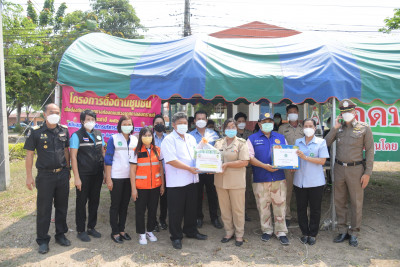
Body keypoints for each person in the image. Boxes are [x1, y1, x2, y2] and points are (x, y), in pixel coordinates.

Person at [325, 99, 374, 247]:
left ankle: (354, 232)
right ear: (341, 113)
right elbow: (325, 143)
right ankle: (342, 230)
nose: (347, 114)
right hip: (339, 168)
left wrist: (368, 173)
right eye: (344, 112)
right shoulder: (338, 129)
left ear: (355, 112)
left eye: (349, 112)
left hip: (356, 169)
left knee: (356, 202)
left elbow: (370, 150)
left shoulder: (364, 128)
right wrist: (334, 128)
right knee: (339, 201)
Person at [24, 103, 71, 254]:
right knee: (44, 209)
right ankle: (43, 240)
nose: (55, 114)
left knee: (62, 206)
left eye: (57, 112)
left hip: (62, 174)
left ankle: (60, 234)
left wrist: (68, 170)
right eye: (51, 112)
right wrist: (29, 176)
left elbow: (66, 151)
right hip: (45, 176)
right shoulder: (36, 132)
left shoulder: (64, 130)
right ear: (45, 114)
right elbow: (29, 154)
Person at [160, 112, 207, 250]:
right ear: (173, 125)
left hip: (192, 180)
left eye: (185, 123)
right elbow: (171, 160)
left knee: (191, 208)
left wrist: (204, 150)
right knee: (176, 211)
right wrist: (189, 168)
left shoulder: (191, 138)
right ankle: (176, 236)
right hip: (177, 182)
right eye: (180, 123)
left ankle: (191, 231)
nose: (183, 125)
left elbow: (195, 154)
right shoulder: (168, 140)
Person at [247, 112, 290, 246]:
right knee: (263, 205)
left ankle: (281, 231)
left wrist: (290, 163)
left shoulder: (281, 137)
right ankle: (267, 230)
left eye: (270, 122)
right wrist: (264, 166)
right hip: (261, 178)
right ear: (259, 124)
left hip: (278, 178)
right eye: (264, 122)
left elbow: (288, 154)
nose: (267, 124)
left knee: (280, 205)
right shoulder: (252, 139)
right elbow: (250, 158)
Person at [70, 110, 105, 242]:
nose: (90, 121)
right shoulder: (76, 136)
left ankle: (91, 227)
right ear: (82, 121)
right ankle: (81, 230)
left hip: (97, 174)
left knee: (94, 201)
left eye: (93, 119)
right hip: (83, 175)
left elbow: (102, 153)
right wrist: (76, 178)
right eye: (88, 119)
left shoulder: (99, 134)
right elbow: (73, 157)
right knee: (81, 202)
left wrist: (105, 174)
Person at [214, 118, 250, 247]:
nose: (231, 129)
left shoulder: (241, 143)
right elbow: (212, 159)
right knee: (224, 209)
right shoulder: (218, 143)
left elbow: (245, 161)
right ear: (224, 129)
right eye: (228, 127)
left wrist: (227, 164)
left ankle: (239, 234)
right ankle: (229, 232)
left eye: (233, 127)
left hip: (236, 182)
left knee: (238, 209)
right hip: (220, 181)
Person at [293, 118, 330, 245]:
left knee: (315, 209)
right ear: (302, 128)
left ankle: (313, 234)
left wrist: (306, 157)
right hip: (300, 181)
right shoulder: (298, 142)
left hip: (316, 182)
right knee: (301, 208)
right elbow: (294, 158)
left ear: (315, 128)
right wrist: (291, 166)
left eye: (310, 126)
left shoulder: (321, 142)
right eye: (306, 126)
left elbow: (322, 161)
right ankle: (304, 232)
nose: (308, 128)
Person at [104, 116, 138, 243]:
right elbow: (108, 160)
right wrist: (108, 178)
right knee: (115, 205)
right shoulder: (114, 138)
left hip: (130, 178)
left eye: (129, 123)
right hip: (116, 177)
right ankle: (114, 232)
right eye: (125, 123)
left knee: (124, 205)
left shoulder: (135, 139)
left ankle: (122, 229)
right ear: (120, 125)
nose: (127, 125)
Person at [130, 127, 165, 245]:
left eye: (150, 135)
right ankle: (141, 233)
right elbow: (132, 172)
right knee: (140, 211)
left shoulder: (157, 150)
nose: (147, 137)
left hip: (155, 186)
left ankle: (150, 231)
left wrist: (162, 185)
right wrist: (133, 189)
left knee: (153, 210)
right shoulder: (136, 151)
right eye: (145, 135)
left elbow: (161, 168)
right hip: (141, 187)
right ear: (140, 137)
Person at [189, 110, 223, 229]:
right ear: (194, 121)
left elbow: (218, 151)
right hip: (197, 171)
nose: (201, 121)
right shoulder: (190, 135)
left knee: (212, 195)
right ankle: (199, 217)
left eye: (203, 118)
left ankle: (214, 218)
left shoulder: (213, 134)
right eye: (198, 119)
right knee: (197, 195)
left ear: (207, 120)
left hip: (210, 171)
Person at [278, 104, 304, 227]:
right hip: (287, 165)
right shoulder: (282, 128)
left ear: (298, 113)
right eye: (290, 112)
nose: (293, 113)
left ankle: (302, 215)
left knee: (302, 191)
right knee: (287, 192)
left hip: (302, 165)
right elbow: (279, 147)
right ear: (287, 114)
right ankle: (287, 216)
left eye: (295, 111)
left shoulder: (304, 128)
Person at [234, 112, 254, 222]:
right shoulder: (232, 134)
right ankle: (235, 212)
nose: (241, 123)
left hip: (247, 167)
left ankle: (244, 211)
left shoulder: (250, 134)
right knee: (236, 190)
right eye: (239, 121)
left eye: (243, 121)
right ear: (236, 122)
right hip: (235, 167)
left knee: (246, 190)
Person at [153, 114, 168, 231]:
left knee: (164, 199)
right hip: (152, 173)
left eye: (161, 123)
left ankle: (162, 220)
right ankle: (153, 222)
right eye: (157, 123)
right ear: (153, 125)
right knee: (153, 199)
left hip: (166, 173)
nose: (159, 125)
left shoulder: (168, 138)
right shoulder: (149, 138)